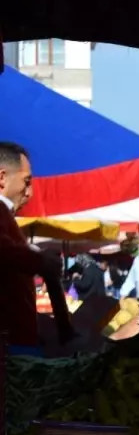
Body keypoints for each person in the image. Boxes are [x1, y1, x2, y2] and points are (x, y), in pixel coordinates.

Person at [0, 142, 73, 349]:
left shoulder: (6, 216)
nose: (29, 193)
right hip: (9, 343)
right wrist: (40, 261)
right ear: (2, 178)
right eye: (27, 181)